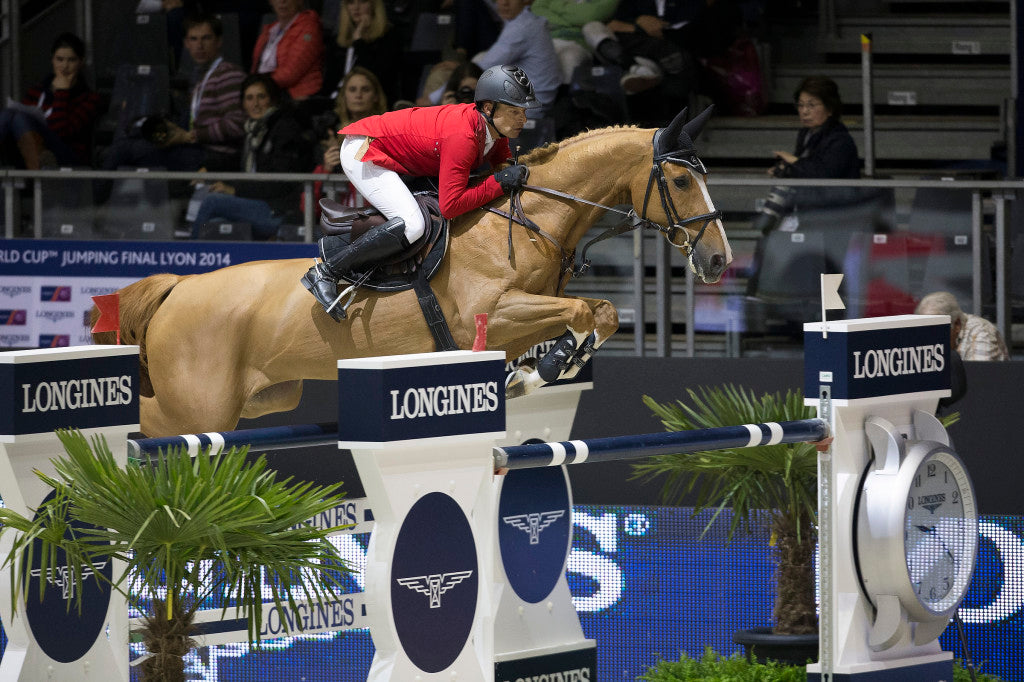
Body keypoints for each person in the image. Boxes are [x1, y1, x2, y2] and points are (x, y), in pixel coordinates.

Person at [302, 64, 536, 316]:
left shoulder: (492, 127)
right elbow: (451, 206)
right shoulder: (463, 136)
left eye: (523, 111)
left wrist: (511, 175)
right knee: (413, 225)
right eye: (514, 111)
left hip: (397, 153)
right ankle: (327, 272)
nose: (522, 119)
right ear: (489, 108)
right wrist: (499, 183)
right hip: (365, 150)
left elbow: (502, 165)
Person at [100, 13, 246, 175]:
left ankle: (95, 197)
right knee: (133, 141)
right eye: (193, 39)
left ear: (219, 41)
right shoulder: (200, 77)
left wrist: (190, 136)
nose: (199, 45)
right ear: (186, 44)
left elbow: (237, 125)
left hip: (216, 155)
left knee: (125, 150)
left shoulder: (229, 74)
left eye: (206, 38)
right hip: (195, 149)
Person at [189, 74, 312, 239]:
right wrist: (209, 168)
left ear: (272, 99)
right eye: (249, 98)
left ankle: (188, 255)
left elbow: (280, 181)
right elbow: (236, 160)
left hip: (277, 210)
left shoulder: (284, 128)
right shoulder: (252, 130)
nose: (255, 104)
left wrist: (234, 189)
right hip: (257, 203)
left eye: (261, 97)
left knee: (213, 202)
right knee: (216, 221)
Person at [750, 75, 860, 234]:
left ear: (830, 108)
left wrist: (794, 161)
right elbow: (804, 169)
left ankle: (770, 217)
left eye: (811, 105)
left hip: (835, 213)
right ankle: (770, 217)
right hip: (809, 208)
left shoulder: (841, 140)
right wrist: (785, 168)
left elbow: (823, 176)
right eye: (800, 105)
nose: (804, 111)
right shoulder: (806, 134)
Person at [0, 32, 100, 169]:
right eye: (59, 59)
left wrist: (62, 92)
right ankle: (38, 168)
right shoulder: (36, 92)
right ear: (52, 60)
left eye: (71, 60)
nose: (64, 66)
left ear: (80, 62)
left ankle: (39, 177)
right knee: (8, 114)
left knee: (20, 119)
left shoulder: (89, 99)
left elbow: (62, 133)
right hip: (29, 153)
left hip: (67, 156)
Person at [312, 67, 388, 209]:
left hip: (374, 215)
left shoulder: (386, 129)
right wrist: (326, 168)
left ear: (376, 96)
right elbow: (308, 206)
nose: (358, 95)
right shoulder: (330, 134)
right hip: (338, 216)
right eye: (352, 90)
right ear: (344, 96)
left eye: (365, 90)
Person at [471, 0, 561, 118]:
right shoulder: (525, 21)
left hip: (528, 107)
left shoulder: (522, 27)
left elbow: (479, 70)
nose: (504, 3)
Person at [324, 0, 404, 107]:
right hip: (338, 102)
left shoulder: (389, 37)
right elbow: (330, 82)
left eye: (362, 2)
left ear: (374, 5)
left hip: (372, 104)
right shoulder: (338, 41)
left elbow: (377, 77)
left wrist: (359, 43)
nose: (356, 7)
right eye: (351, 2)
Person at [252, 0, 324, 100]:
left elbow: (290, 74)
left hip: (297, 97)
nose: (282, 1)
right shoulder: (269, 30)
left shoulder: (309, 27)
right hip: (268, 91)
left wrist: (257, 85)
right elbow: (256, 68)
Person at [915, 291, 1009, 361]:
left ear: (957, 325)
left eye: (935, 331)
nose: (929, 339)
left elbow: (977, 380)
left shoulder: (982, 333)